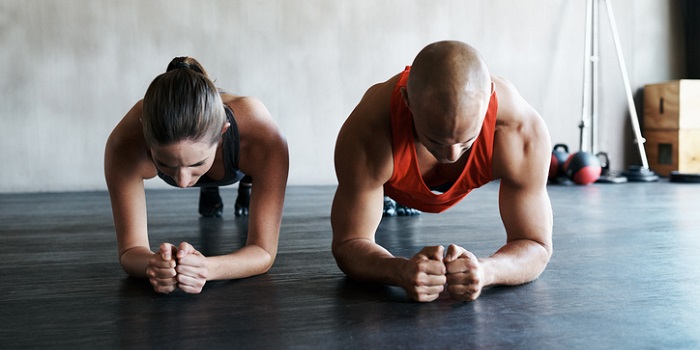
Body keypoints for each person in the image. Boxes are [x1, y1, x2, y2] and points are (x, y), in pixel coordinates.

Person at [331, 41, 553, 302]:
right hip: (392, 177)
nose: (451, 156)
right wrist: (398, 270)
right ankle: (390, 198)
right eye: (436, 141)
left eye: (467, 140)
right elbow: (348, 243)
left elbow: (536, 244)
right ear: (407, 101)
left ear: (489, 98)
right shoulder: (369, 132)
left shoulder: (521, 131)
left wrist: (485, 271)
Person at [105, 57, 289, 294]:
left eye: (197, 163)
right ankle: (207, 180)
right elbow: (130, 251)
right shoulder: (125, 143)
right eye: (165, 164)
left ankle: (245, 186)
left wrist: (207, 268)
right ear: (145, 136)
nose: (182, 182)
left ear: (223, 133)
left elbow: (263, 252)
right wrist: (154, 264)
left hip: (242, 164)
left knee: (247, 180)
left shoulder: (262, 136)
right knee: (204, 182)